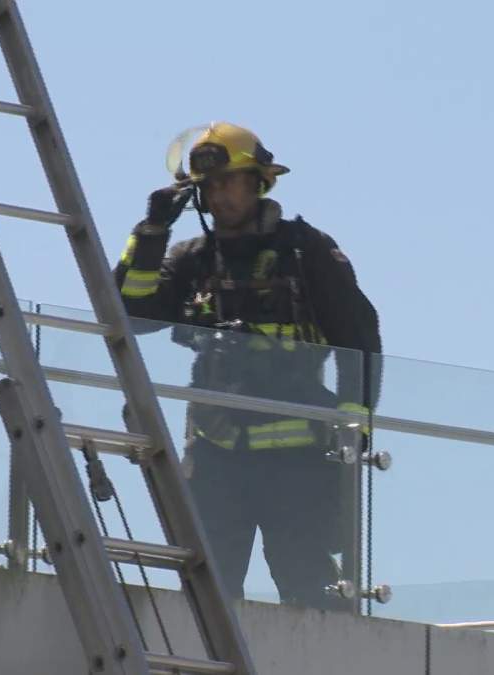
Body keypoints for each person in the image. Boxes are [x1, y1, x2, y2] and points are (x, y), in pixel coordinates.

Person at [114, 122, 381, 610]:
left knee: (308, 587)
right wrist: (150, 232)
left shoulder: (306, 251)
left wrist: (353, 425)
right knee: (207, 587)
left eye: (229, 181)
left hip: (298, 459)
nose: (219, 196)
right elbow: (129, 315)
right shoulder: (193, 258)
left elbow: (359, 337)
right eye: (210, 187)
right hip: (215, 457)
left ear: (259, 181)